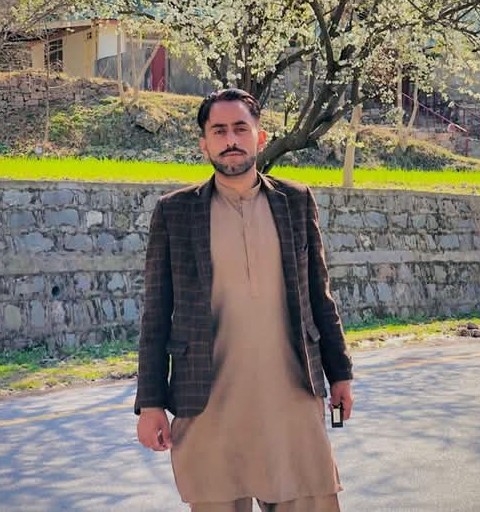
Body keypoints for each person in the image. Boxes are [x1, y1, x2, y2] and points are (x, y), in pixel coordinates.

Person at [134, 88, 354, 512]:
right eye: (219, 131)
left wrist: (340, 373)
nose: (230, 139)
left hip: (291, 397)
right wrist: (151, 403)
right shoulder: (175, 212)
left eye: (240, 128)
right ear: (204, 143)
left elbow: (319, 295)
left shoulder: (295, 202)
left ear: (260, 136)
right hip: (208, 403)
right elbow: (156, 314)